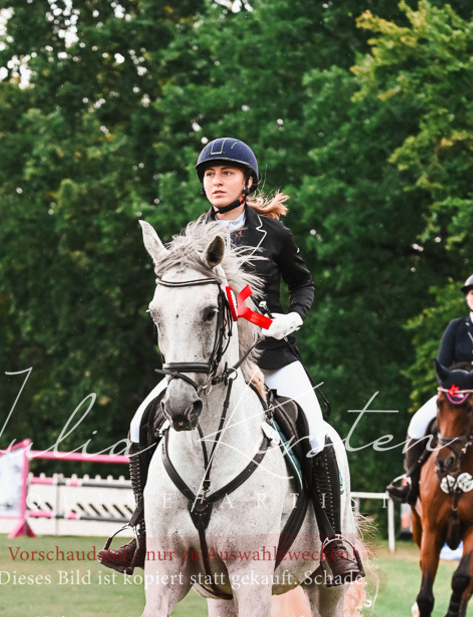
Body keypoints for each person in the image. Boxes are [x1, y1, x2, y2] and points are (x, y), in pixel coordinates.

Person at [99, 137, 364, 584]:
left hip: (272, 354)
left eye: (226, 174)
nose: (216, 182)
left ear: (246, 182)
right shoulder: (193, 234)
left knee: (317, 431)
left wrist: (292, 318)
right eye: (209, 175)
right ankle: (142, 532)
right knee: (138, 423)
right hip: (210, 364)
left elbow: (305, 285)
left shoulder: (273, 234)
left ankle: (333, 540)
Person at [387, 272, 473, 518]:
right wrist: (449, 390)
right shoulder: (456, 327)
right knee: (418, 421)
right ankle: (409, 481)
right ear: (467, 298)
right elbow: (442, 365)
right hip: (455, 397)